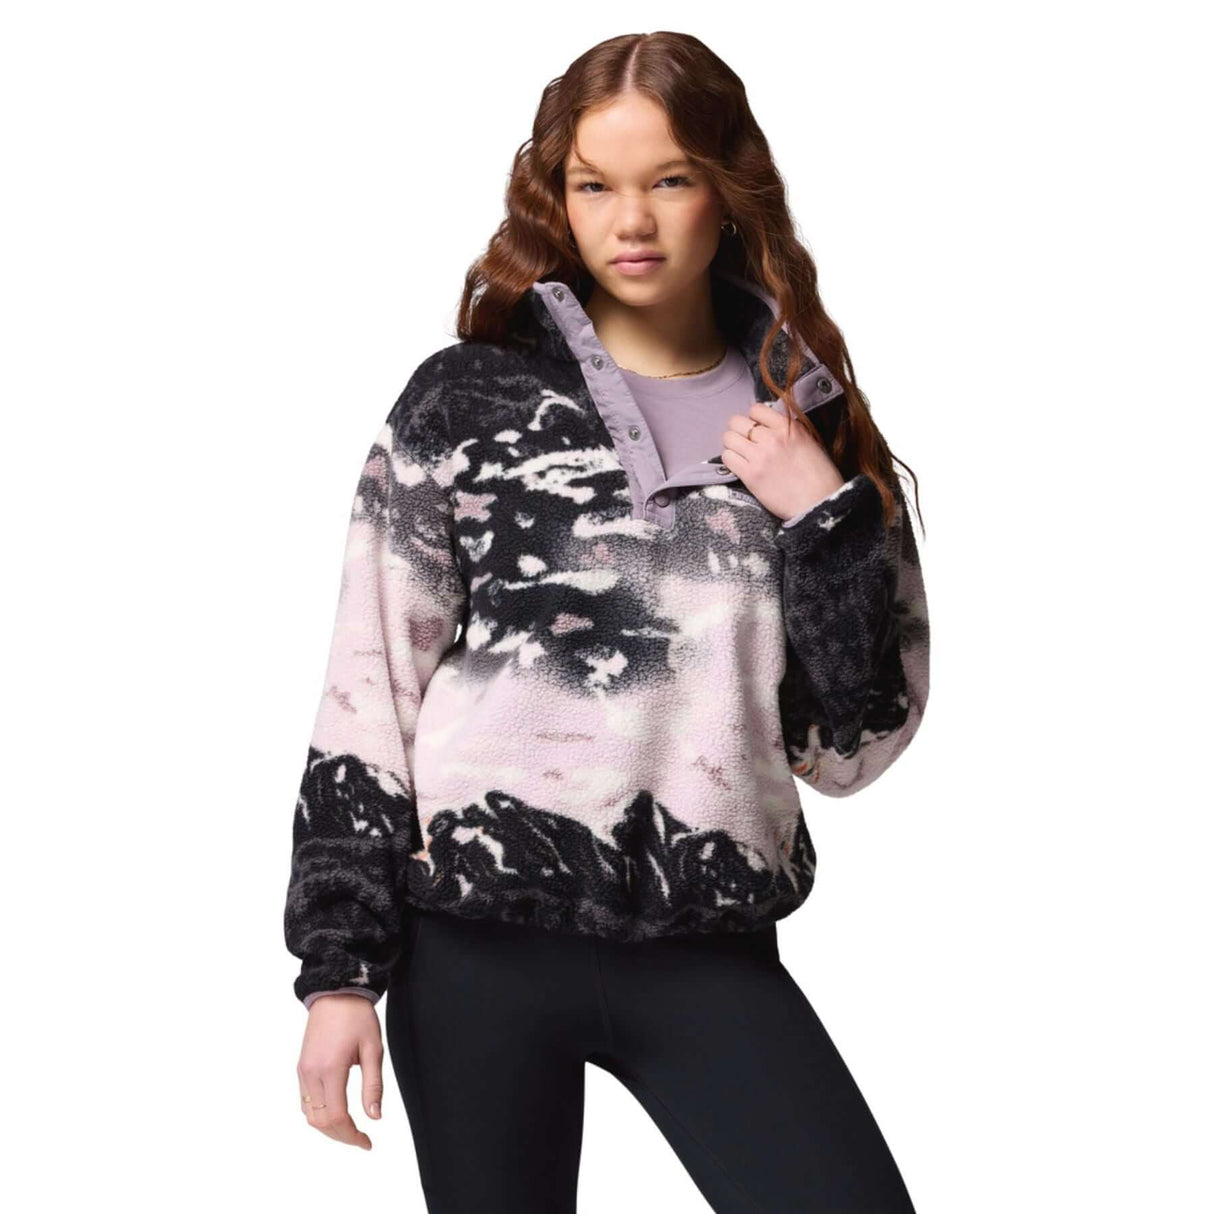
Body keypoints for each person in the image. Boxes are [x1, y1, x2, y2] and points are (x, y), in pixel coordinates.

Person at [283, 30, 930, 1214]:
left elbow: (849, 747)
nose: (630, 221)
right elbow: (367, 688)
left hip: (706, 936)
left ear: (726, 191)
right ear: (559, 198)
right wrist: (338, 972)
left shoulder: (805, 419)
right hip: (473, 943)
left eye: (668, 179)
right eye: (594, 185)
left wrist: (821, 518)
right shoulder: (466, 401)